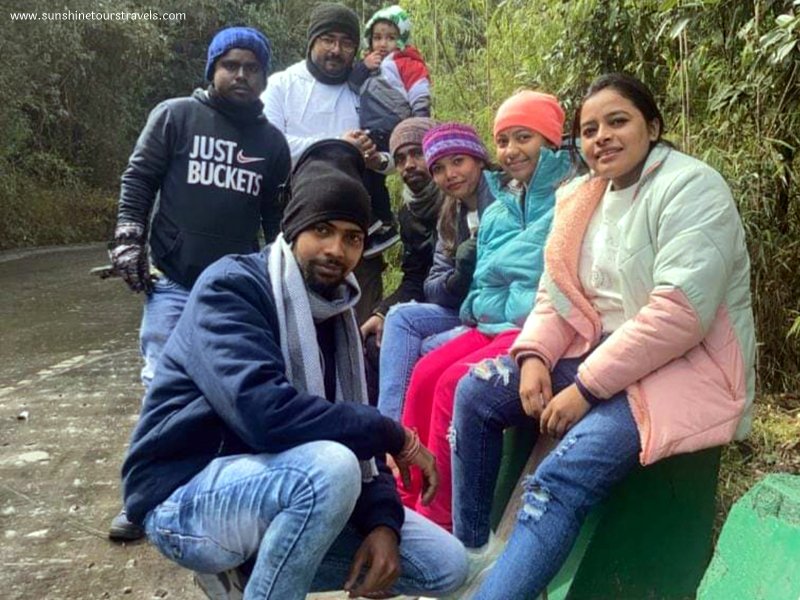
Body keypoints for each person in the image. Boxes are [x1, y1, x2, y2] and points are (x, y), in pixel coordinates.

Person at [449, 73, 756, 599]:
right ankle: (472, 562)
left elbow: (680, 315)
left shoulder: (692, 187)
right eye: (589, 130)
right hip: (597, 352)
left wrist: (585, 388)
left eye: (618, 121)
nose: (602, 138)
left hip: (680, 368)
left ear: (652, 126)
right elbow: (554, 293)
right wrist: (535, 355)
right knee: (476, 392)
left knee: (559, 477)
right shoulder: (581, 197)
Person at [120, 139, 468, 600]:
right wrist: (392, 434)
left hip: (278, 486)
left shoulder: (338, 312)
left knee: (445, 565)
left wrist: (382, 523)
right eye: (322, 229)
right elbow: (265, 414)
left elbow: (352, 427)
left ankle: (253, 570)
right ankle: (248, 573)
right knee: (329, 469)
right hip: (184, 492)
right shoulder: (231, 288)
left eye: (352, 238)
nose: (336, 249)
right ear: (294, 226)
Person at [107, 26, 291, 541]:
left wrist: (281, 280)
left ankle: (222, 493)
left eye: (251, 67)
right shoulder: (175, 116)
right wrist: (128, 239)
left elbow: (276, 222)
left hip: (232, 293)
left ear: (264, 78)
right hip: (172, 280)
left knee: (231, 388)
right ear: (212, 70)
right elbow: (139, 179)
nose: (240, 74)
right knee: (161, 386)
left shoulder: (272, 144)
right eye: (230, 65)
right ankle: (143, 498)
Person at [399, 92, 571, 531]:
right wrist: (475, 302)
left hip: (530, 327)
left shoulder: (569, 197)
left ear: (551, 139)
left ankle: (438, 519)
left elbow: (551, 276)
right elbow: (476, 280)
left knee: (451, 384)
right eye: (504, 140)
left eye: (524, 137)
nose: (511, 150)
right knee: (424, 374)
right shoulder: (499, 210)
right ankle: (406, 496)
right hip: (489, 322)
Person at [262, 2, 392, 322]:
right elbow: (268, 148)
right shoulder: (281, 85)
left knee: (359, 324)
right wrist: (339, 146)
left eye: (346, 43)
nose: (336, 50)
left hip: (359, 231)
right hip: (295, 225)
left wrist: (376, 159)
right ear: (312, 42)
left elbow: (396, 155)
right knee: (291, 321)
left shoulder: (369, 87)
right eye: (328, 40)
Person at [376, 122, 496, 420]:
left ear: (479, 159)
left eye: (458, 161)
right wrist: (458, 278)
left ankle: (403, 431)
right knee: (398, 317)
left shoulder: (502, 199)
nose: (450, 174)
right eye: (439, 168)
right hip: (462, 305)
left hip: (494, 311)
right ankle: (390, 428)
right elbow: (431, 284)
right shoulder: (451, 212)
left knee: (427, 347)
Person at [359, 117, 443, 403]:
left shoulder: (460, 196)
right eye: (400, 158)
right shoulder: (409, 213)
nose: (408, 165)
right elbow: (415, 277)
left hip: (463, 305)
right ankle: (377, 426)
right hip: (431, 304)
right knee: (371, 341)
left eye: (418, 153)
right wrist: (382, 312)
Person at [348, 4, 432, 250]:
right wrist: (364, 67)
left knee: (368, 169)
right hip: (371, 128)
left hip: (394, 127)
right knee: (371, 175)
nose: (383, 43)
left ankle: (380, 221)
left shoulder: (407, 62)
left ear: (402, 39)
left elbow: (419, 92)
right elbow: (352, 85)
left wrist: (419, 123)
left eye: (390, 37)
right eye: (377, 37)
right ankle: (381, 223)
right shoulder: (368, 64)